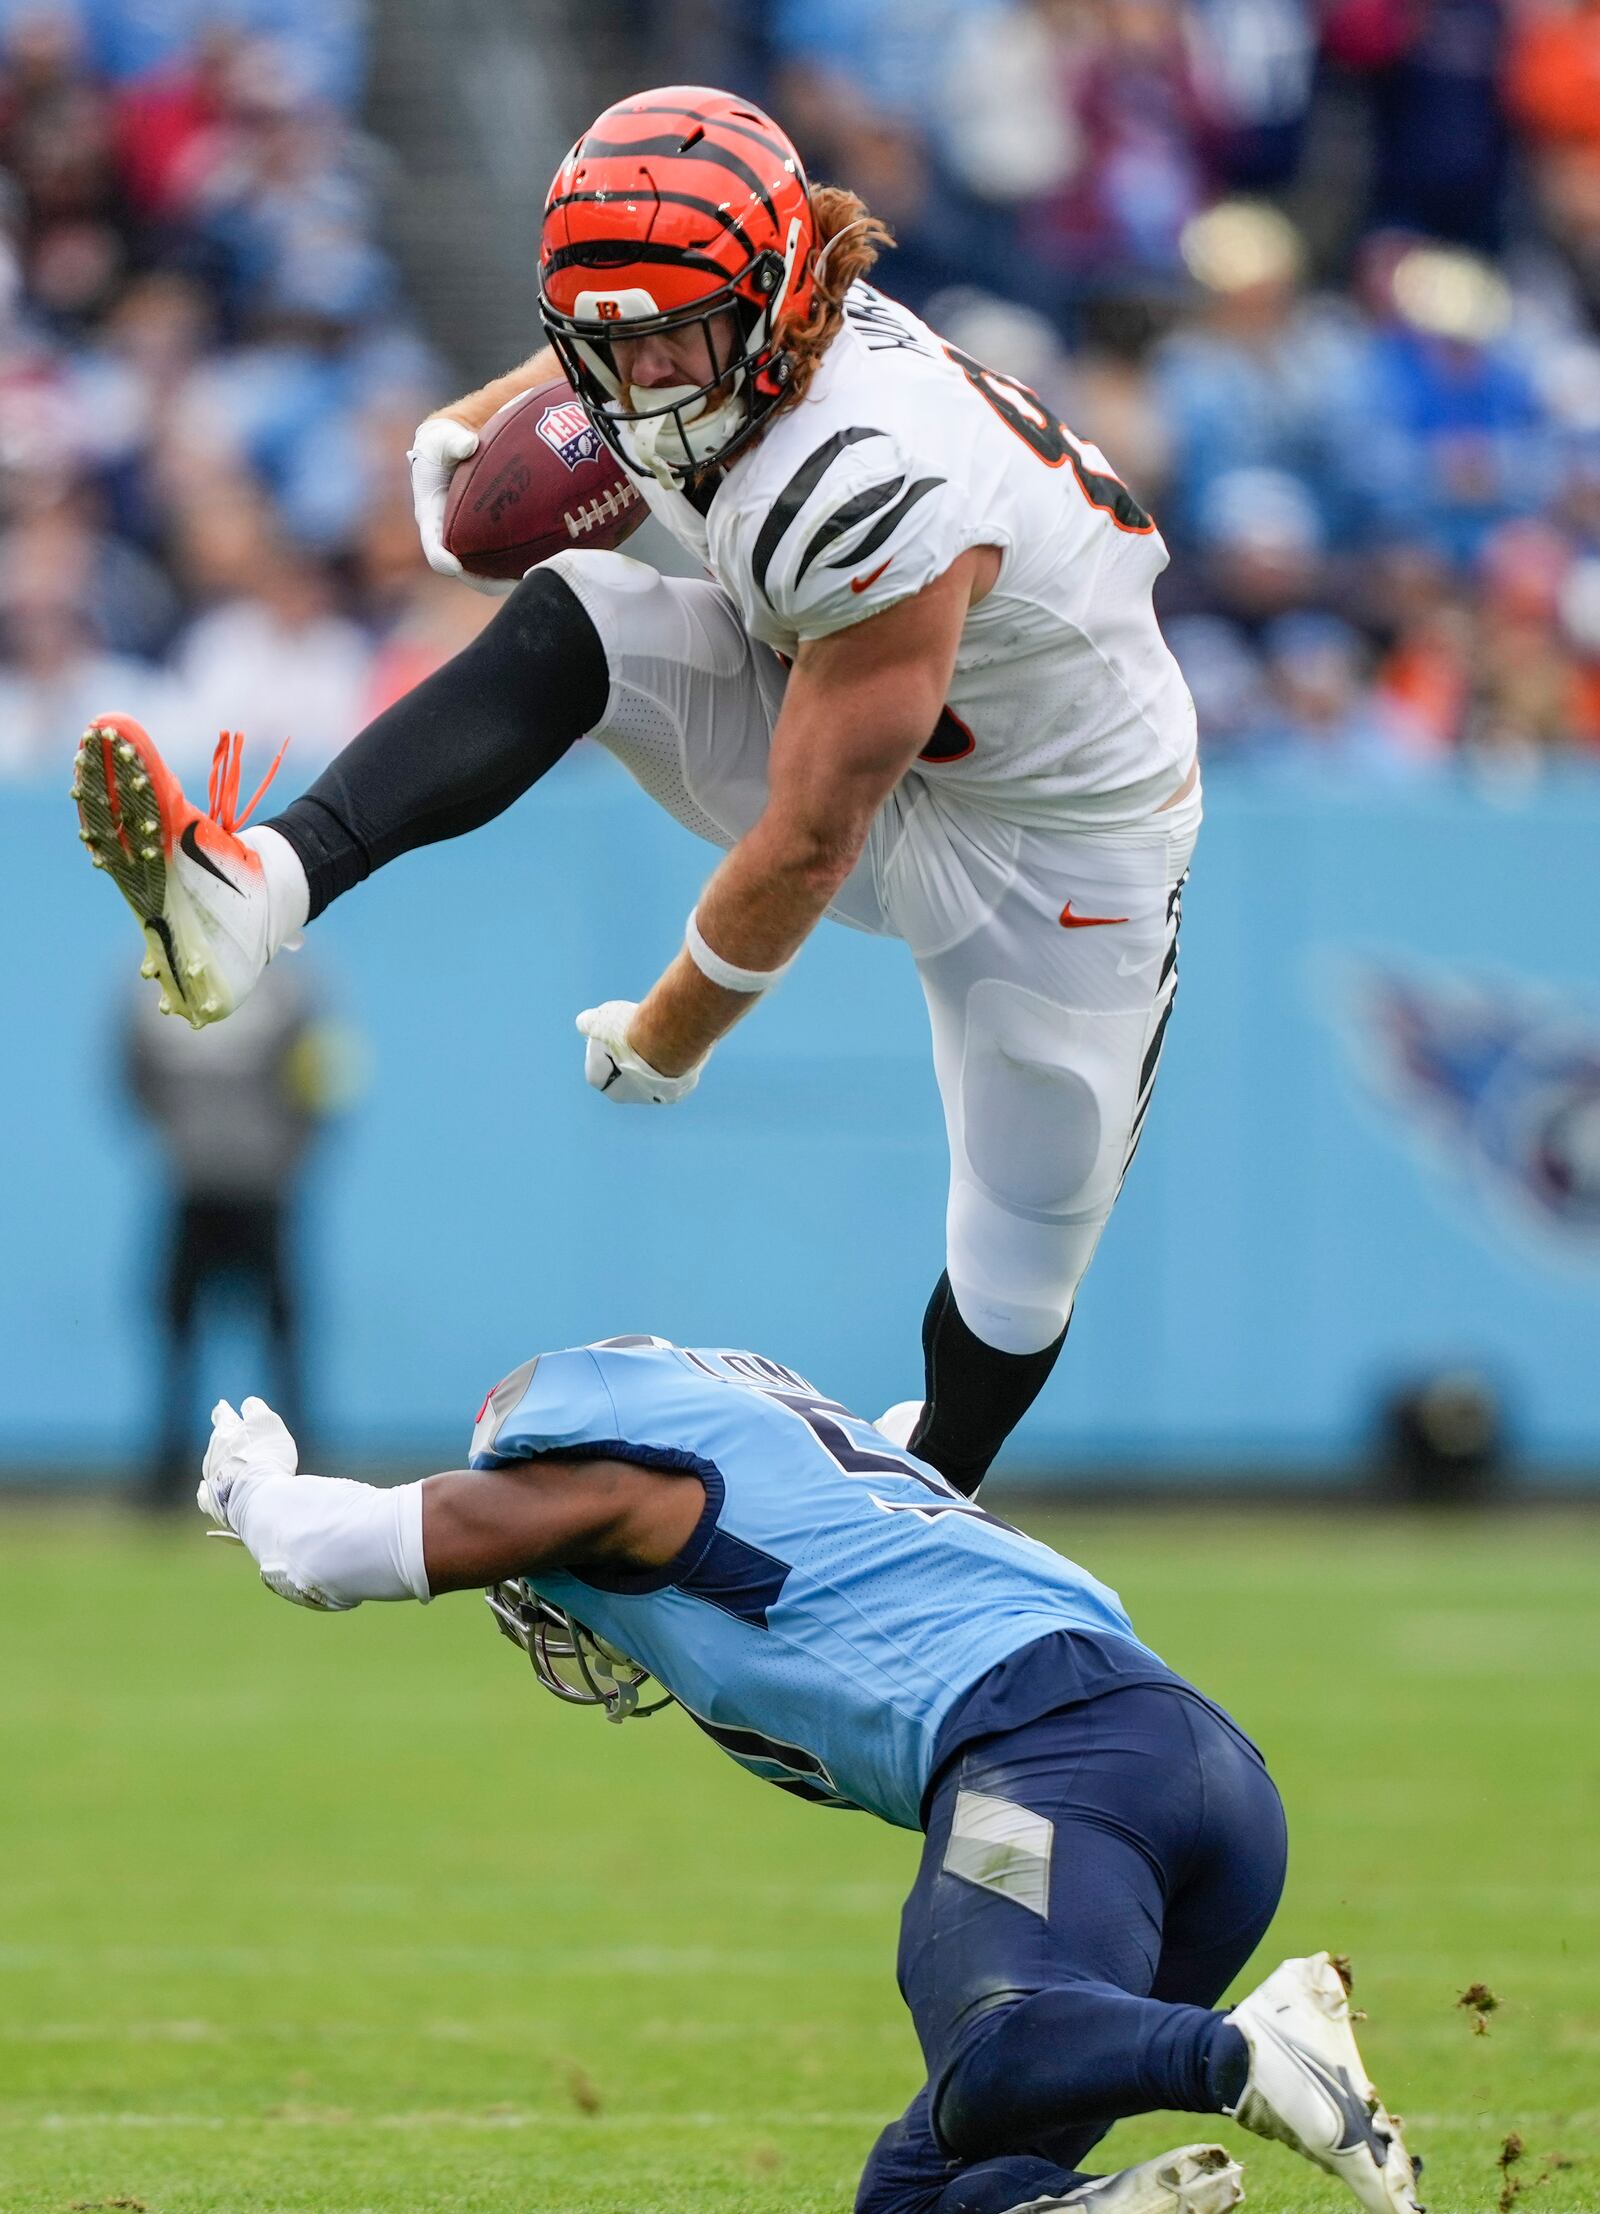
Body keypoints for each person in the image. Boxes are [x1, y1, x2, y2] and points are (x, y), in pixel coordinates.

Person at [74, 82, 1202, 1498]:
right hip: (861, 727)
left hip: (1053, 846)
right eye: (614, 345)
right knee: (585, 611)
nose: (650, 380)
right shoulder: (714, 346)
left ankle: (932, 1511)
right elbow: (610, 347)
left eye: (680, 336)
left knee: (1024, 1249)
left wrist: (675, 1031)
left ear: (783, 301)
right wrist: (467, 427)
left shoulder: (868, 472)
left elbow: (810, 838)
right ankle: (258, 889)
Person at [197, 1334, 1421, 2214]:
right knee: (913, 2200)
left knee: (995, 2043)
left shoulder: (616, 1489)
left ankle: (1247, 2056)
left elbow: (330, 1551)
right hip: (1197, 1774)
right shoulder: (828, 1455)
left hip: (1046, 1759)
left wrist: (252, 1488)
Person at [122, 953, 343, 1502]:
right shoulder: (154, 982)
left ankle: (303, 1473)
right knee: (177, 1332)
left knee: (282, 1332)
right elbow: (133, 1075)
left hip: (265, 1192)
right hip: (192, 1185)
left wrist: (283, 1156)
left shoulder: (291, 988)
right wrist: (182, 1143)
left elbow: (318, 1079)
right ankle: (167, 1476)